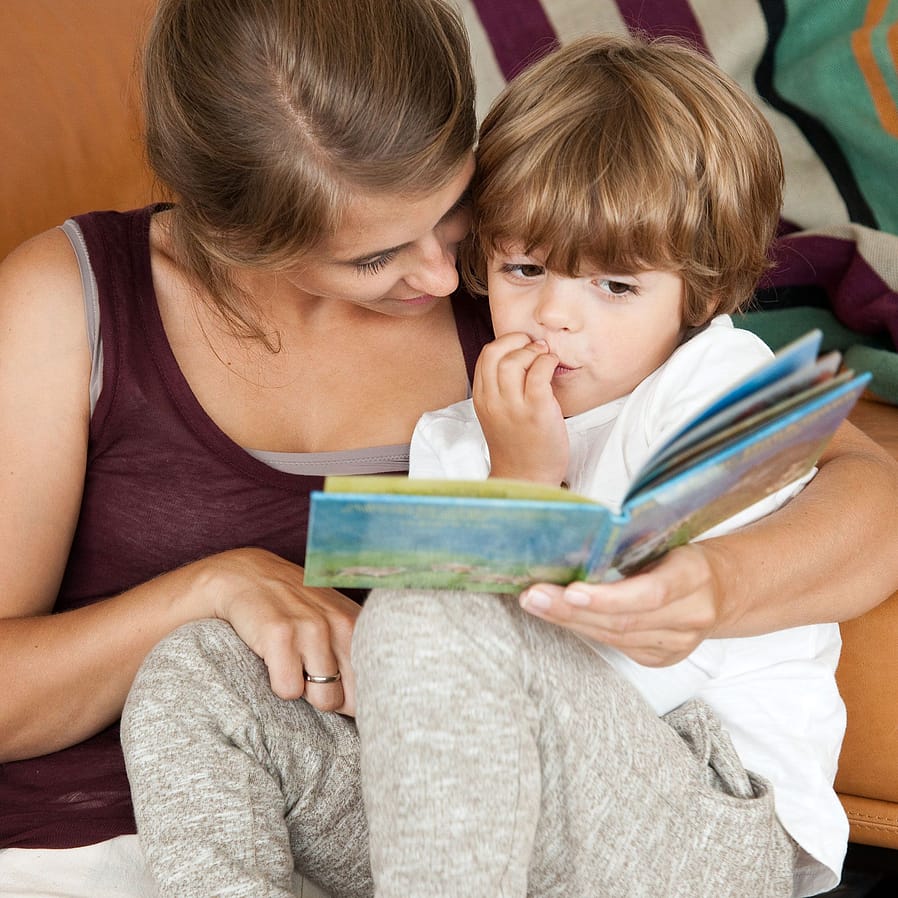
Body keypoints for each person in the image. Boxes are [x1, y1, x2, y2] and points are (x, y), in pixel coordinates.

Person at [0, 0, 894, 893]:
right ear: (240, 237)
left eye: (455, 211)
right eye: (375, 257)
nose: (441, 276)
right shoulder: (464, 413)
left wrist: (715, 583)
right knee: (194, 667)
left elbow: (858, 490)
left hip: (668, 797)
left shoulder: (639, 337)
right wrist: (215, 588)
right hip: (390, 814)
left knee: (428, 614)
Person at [354, 33, 843, 897]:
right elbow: (443, 699)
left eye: (615, 286)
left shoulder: (723, 391)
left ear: (696, 291)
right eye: (526, 268)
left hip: (712, 803)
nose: (555, 318)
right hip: (529, 809)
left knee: (427, 610)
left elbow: (637, 650)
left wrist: (530, 485)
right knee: (197, 667)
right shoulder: (457, 433)